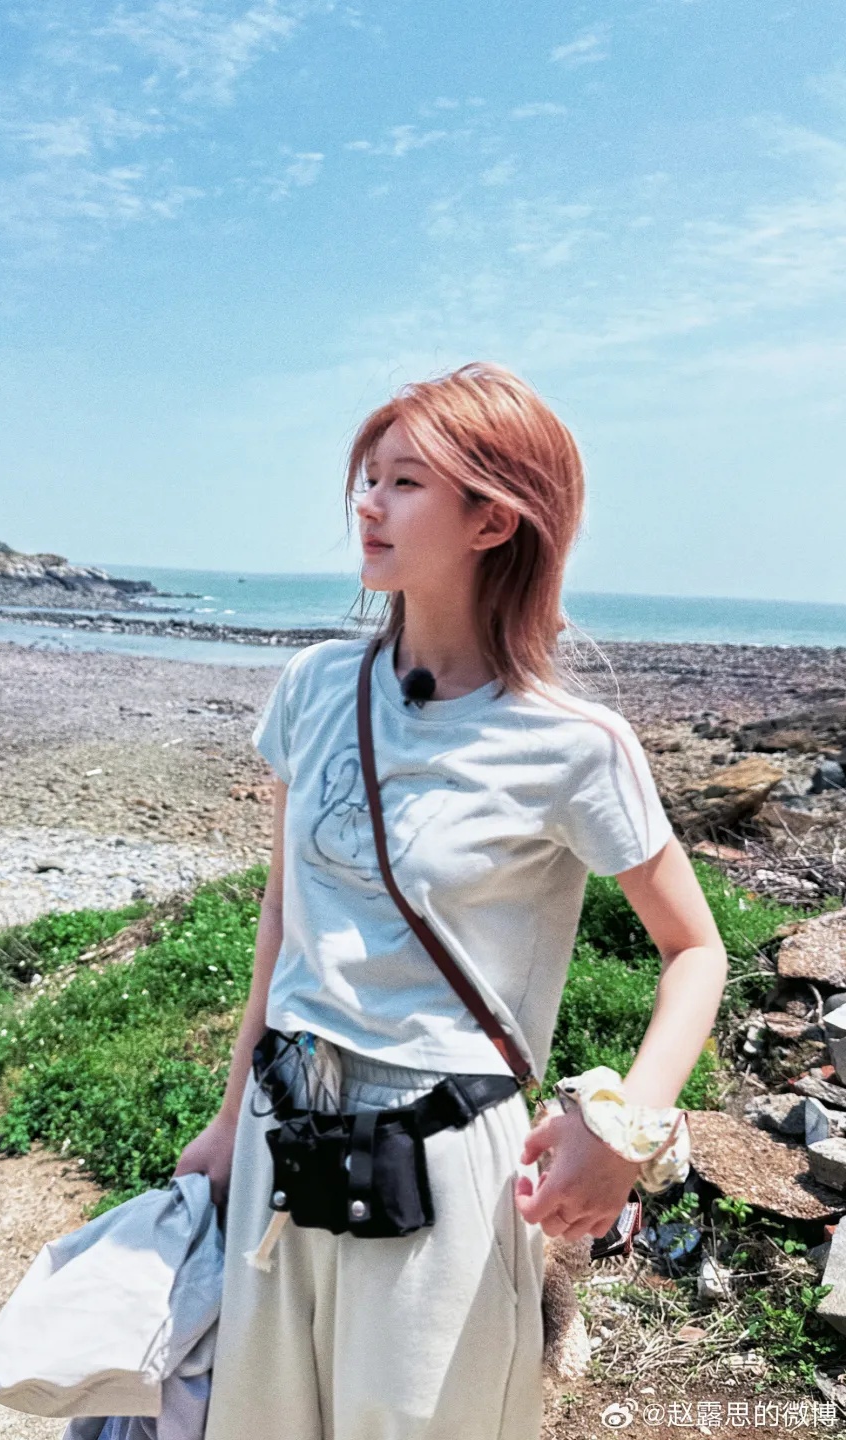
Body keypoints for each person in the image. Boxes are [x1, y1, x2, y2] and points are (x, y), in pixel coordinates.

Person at [174, 363, 729, 1440]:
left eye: (405, 482)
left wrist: (626, 1130)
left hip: (444, 1152)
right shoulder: (314, 687)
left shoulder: (575, 744)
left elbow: (694, 949)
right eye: (369, 478)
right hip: (286, 1126)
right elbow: (284, 918)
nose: (368, 505)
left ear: (492, 519)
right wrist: (230, 1116)